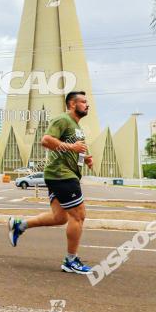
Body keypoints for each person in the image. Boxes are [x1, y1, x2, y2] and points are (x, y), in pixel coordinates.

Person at [7, 91, 93, 274]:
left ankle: (19, 225)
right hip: (61, 174)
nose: (87, 105)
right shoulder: (63, 120)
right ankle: (70, 261)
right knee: (79, 215)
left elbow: (77, 149)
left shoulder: (77, 127)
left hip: (63, 174)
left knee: (60, 217)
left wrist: (86, 158)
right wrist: (72, 147)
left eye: (87, 102)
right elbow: (45, 140)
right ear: (72, 104)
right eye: (83, 102)